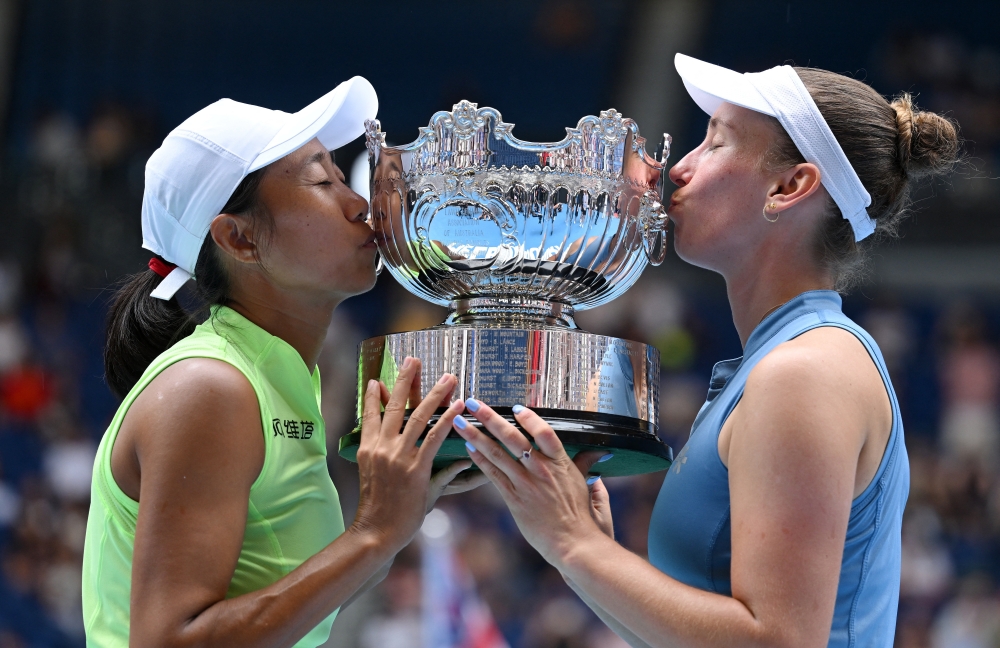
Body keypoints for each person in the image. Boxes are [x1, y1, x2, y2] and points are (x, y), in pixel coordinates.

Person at [448, 54, 961, 647]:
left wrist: (574, 542)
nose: (680, 168)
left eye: (716, 142)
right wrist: (580, 555)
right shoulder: (786, 360)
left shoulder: (806, 371)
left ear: (790, 186)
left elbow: (779, 641)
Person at [82, 77, 485, 648]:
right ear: (239, 239)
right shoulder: (211, 387)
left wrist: (409, 503)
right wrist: (373, 533)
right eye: (321, 181)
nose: (358, 205)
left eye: (343, 177)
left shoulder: (270, 374)